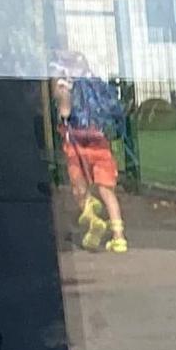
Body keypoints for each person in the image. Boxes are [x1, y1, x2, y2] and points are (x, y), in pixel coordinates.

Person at [51, 51, 127, 253]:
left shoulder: (67, 85)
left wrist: (61, 96)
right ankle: (119, 238)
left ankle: (91, 215)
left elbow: (65, 113)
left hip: (76, 142)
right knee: (106, 190)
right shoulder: (97, 84)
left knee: (79, 187)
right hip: (99, 141)